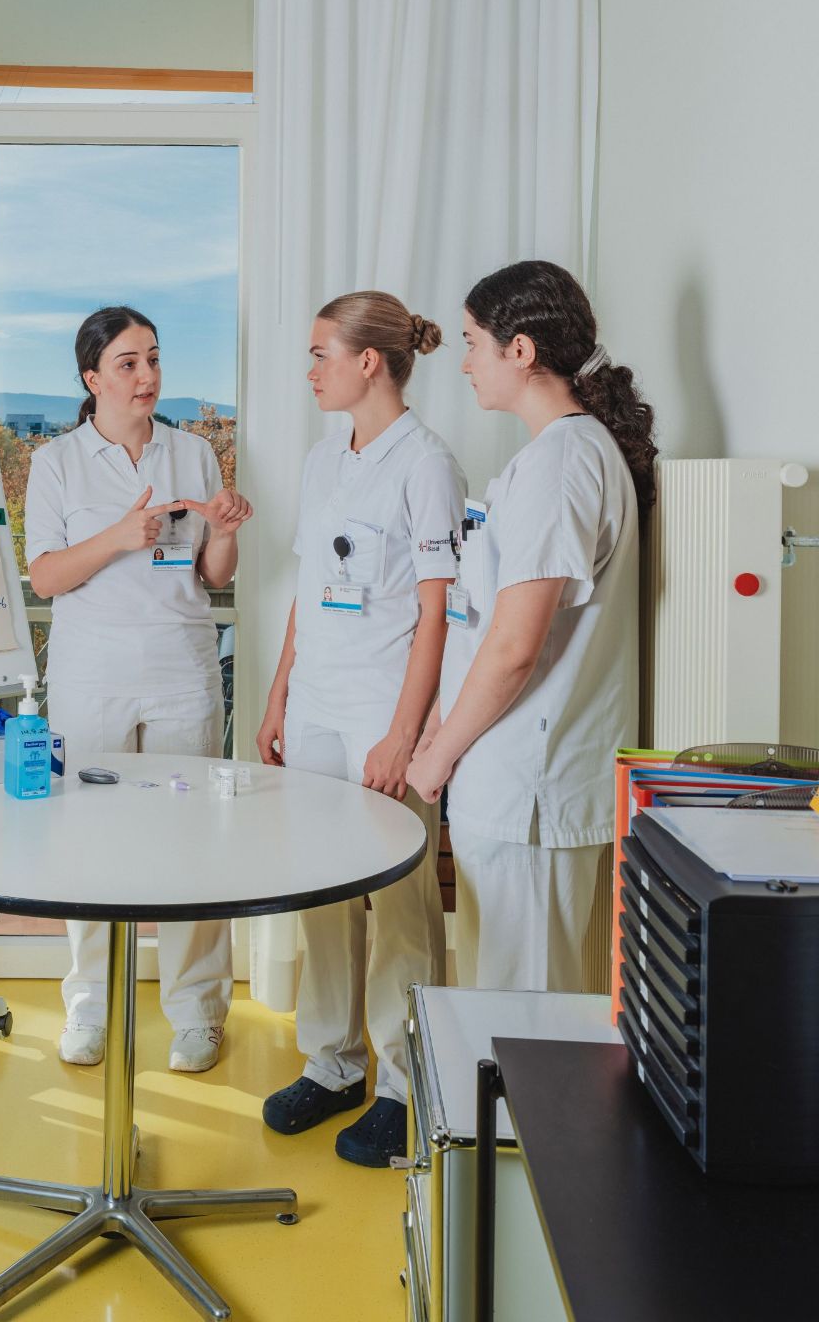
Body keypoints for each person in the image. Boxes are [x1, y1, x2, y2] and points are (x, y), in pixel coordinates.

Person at [405, 260, 656, 994]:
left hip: (533, 795)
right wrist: (443, 726)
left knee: (526, 1031)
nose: (463, 363)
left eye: (472, 343)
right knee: (514, 1015)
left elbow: (516, 648)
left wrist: (436, 755)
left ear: (520, 351)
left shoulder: (564, 462)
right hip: (516, 784)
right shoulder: (550, 458)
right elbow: (492, 628)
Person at [258, 290, 466, 1168]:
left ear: (368, 361)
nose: (309, 371)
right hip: (314, 706)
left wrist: (404, 734)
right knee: (321, 891)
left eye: (320, 354)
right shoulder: (321, 460)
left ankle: (404, 1085)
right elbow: (309, 594)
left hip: (384, 712)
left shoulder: (427, 463)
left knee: (402, 904)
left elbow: (437, 614)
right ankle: (333, 1062)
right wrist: (275, 698)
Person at [24, 306, 253, 1073]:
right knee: (88, 842)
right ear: (92, 379)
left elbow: (215, 578)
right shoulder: (58, 462)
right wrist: (120, 536)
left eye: (153, 359)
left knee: (193, 842)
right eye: (128, 363)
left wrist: (223, 531)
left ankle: (196, 1012)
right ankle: (89, 1005)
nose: (148, 376)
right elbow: (47, 575)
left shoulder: (194, 454)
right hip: (91, 676)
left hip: (183, 671)